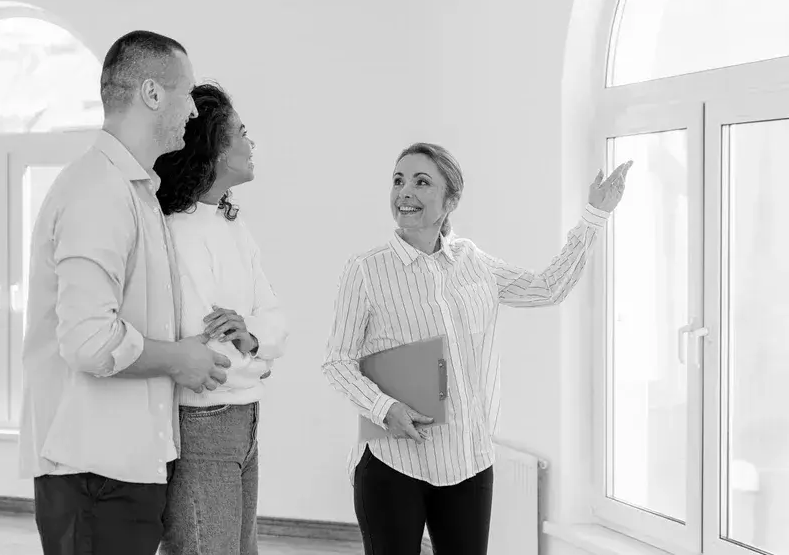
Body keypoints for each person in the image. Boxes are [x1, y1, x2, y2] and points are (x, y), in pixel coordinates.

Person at [323, 142, 632, 555]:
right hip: (393, 462)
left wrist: (594, 216)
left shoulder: (473, 261)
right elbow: (337, 362)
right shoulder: (365, 270)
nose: (405, 192)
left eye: (421, 182)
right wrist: (384, 408)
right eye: (398, 181)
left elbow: (547, 287)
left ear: (451, 199)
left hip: (468, 461)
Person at [18, 31, 233, 555]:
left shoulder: (134, 192)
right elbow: (88, 341)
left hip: (121, 469)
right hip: (94, 475)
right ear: (153, 94)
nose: (192, 110)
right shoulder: (99, 192)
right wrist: (179, 359)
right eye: (185, 94)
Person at [154, 82, 288, 555]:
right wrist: (260, 355)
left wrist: (254, 342)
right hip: (205, 419)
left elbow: (273, 320)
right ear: (212, 147)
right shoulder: (177, 231)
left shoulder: (232, 223)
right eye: (241, 133)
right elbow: (205, 351)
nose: (251, 145)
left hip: (246, 415)